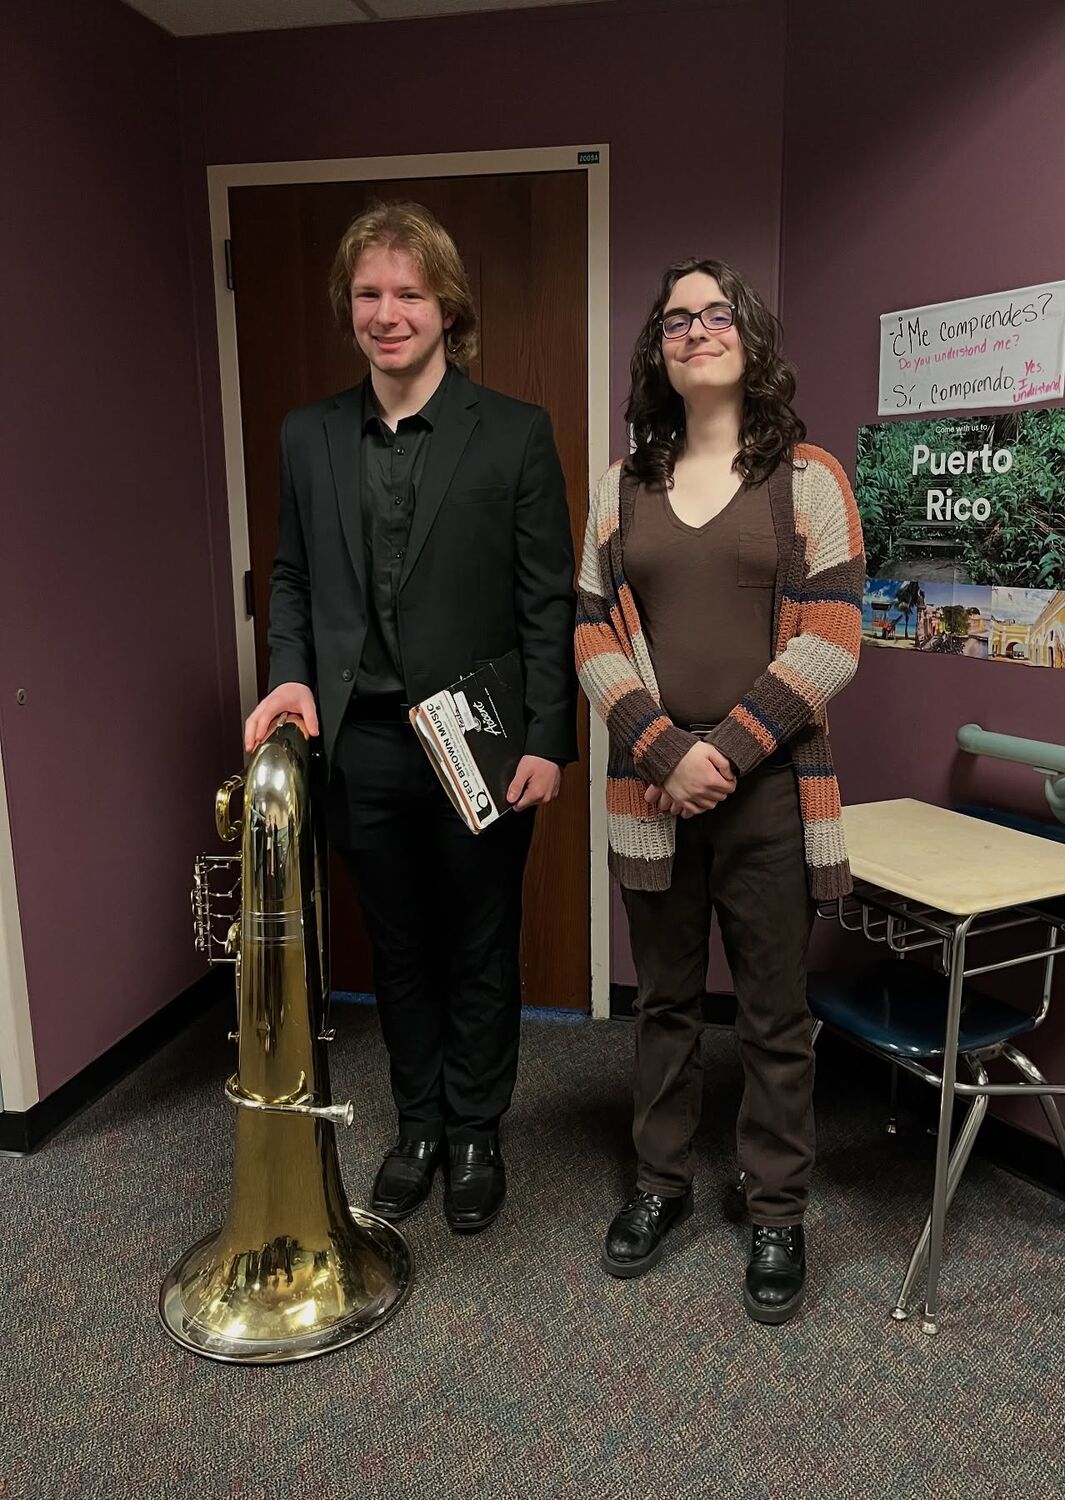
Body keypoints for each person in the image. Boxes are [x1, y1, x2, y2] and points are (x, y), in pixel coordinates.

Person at [244, 202, 577, 1234]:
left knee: (481, 937)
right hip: (363, 743)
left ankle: (478, 1130)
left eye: (408, 294)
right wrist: (290, 676)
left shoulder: (515, 434)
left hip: (478, 736)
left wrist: (549, 738)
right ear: (351, 308)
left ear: (446, 309)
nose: (387, 314)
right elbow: (292, 579)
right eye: (368, 294)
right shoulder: (309, 436)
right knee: (397, 948)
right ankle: (419, 1125)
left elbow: (546, 601)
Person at [575, 258, 863, 1323]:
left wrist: (726, 754)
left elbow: (836, 637)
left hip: (771, 795)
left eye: (718, 313)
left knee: (776, 1015)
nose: (699, 330)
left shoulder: (809, 479)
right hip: (650, 795)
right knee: (662, 1007)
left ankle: (777, 1203)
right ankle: (659, 1187)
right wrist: (660, 750)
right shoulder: (620, 487)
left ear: (750, 337)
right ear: (657, 346)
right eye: (677, 318)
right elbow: (589, 630)